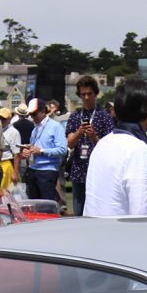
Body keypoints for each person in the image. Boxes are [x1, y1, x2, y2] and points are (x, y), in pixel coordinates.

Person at [84, 79, 147, 217]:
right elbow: (140, 212)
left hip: (93, 230)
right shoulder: (137, 149)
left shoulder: (103, 143)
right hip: (121, 234)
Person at [65, 76, 114, 215]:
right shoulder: (75, 116)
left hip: (98, 171)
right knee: (78, 212)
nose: (86, 97)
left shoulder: (104, 116)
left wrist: (94, 137)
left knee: (97, 212)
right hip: (78, 170)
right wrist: (80, 131)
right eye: (83, 94)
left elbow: (108, 147)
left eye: (89, 94)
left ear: (96, 93)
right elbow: (70, 143)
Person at [19, 99, 67, 204]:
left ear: (43, 112)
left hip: (47, 170)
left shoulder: (55, 126)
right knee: (33, 203)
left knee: (46, 204)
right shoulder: (35, 128)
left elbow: (62, 149)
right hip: (32, 169)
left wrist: (41, 151)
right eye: (30, 114)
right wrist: (27, 151)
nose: (32, 117)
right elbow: (34, 148)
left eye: (34, 114)